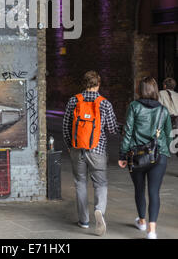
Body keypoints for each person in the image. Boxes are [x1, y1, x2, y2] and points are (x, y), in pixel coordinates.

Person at [63, 70, 119, 236]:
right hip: (97, 150)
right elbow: (112, 128)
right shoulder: (104, 103)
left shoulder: (74, 100)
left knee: (80, 182)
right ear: (98, 84)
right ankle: (99, 210)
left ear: (84, 84)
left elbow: (66, 126)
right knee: (100, 183)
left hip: (77, 148)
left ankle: (84, 221)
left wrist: (69, 145)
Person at [118, 76, 172, 239]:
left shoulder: (134, 106)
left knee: (139, 189)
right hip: (159, 155)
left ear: (140, 90)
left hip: (137, 155)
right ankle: (152, 230)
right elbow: (168, 134)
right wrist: (163, 149)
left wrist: (123, 154)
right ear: (155, 90)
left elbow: (127, 131)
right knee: (154, 191)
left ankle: (142, 221)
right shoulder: (163, 110)